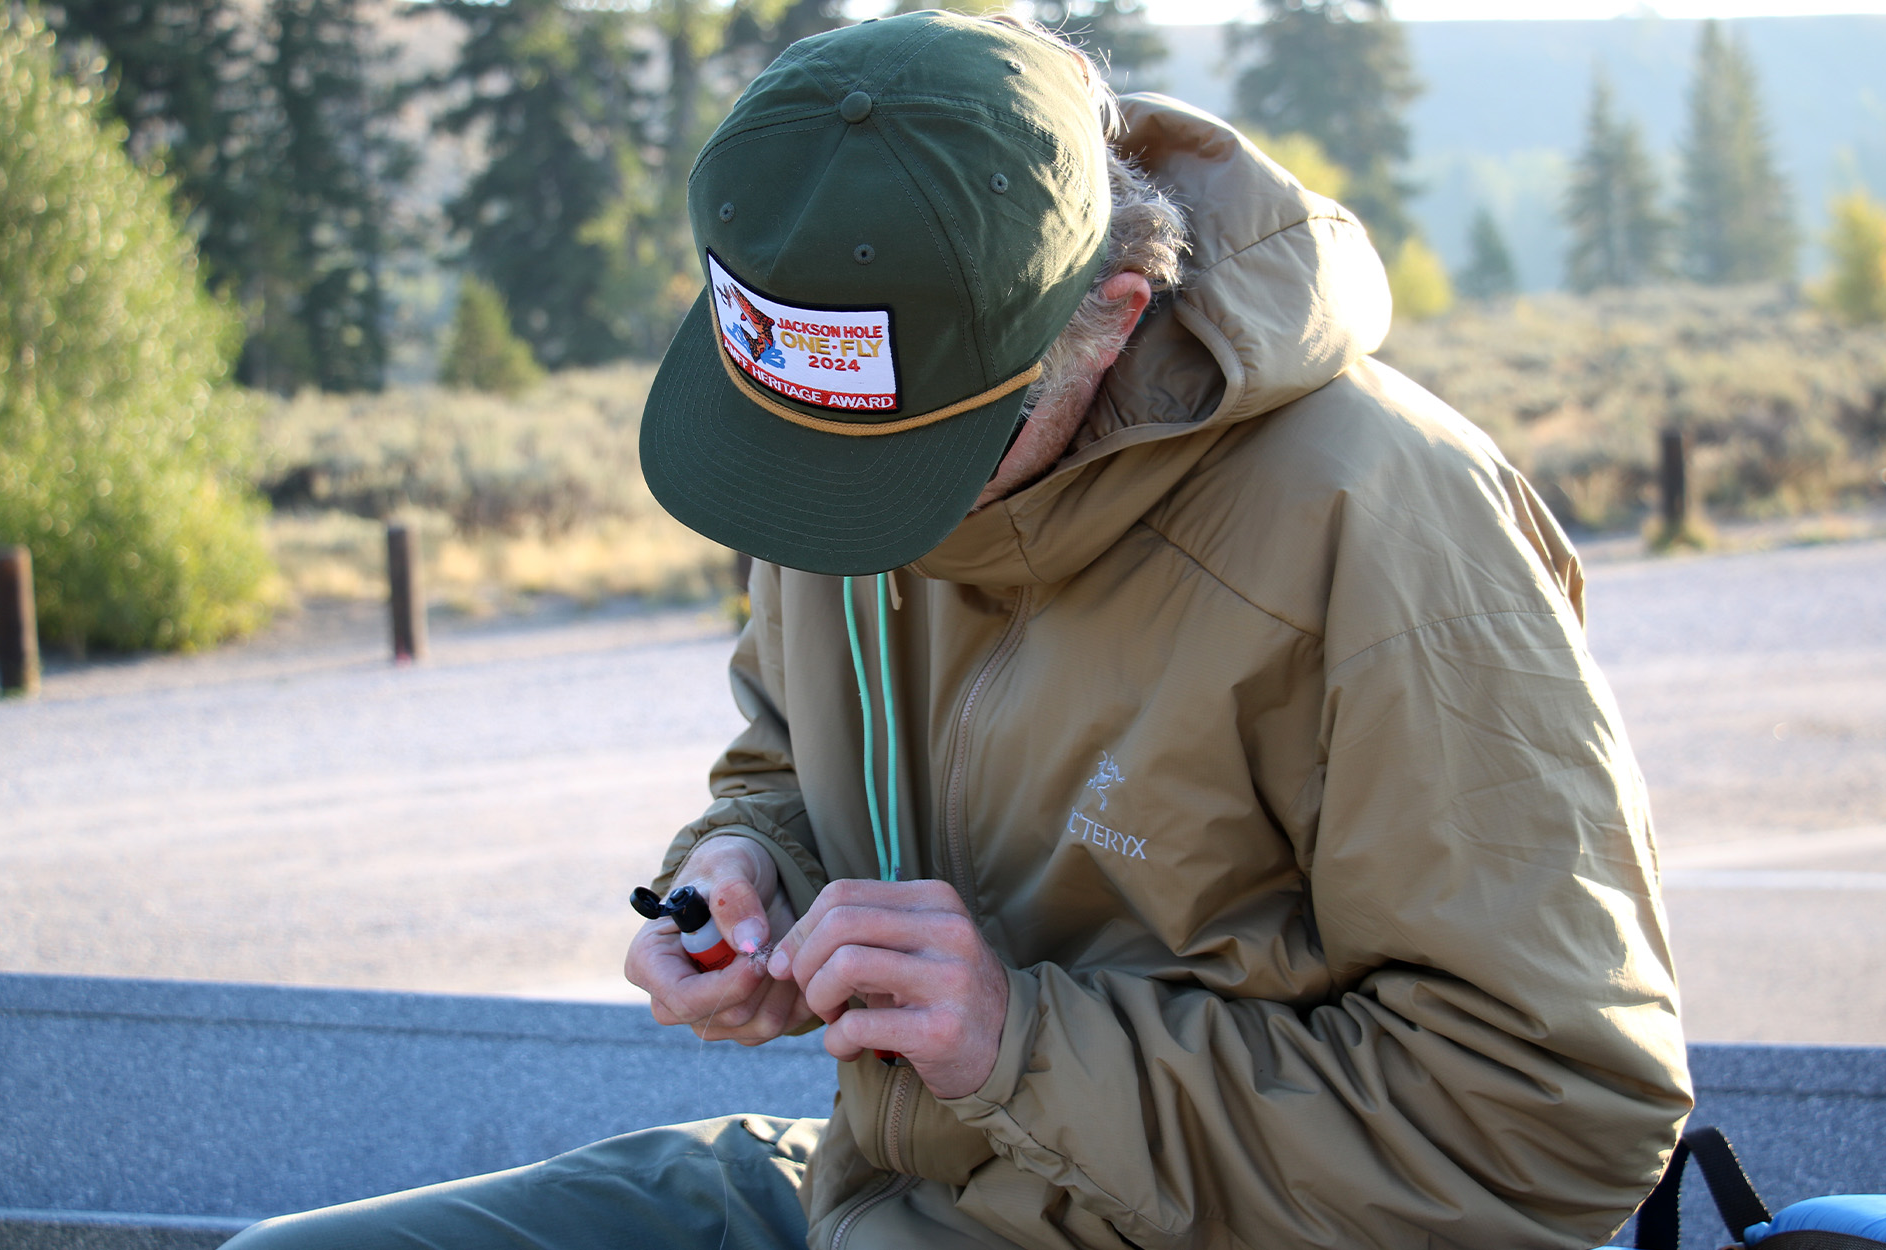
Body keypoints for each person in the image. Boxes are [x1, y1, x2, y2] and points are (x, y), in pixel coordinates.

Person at [226, 11, 1690, 1250]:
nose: (841, 508)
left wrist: (1020, 1046)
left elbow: (1556, 1122)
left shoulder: (1384, 531)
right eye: (795, 443)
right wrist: (749, 875)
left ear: (1111, 318)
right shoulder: (848, 413)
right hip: (873, 1187)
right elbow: (786, 757)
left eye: (905, 456)